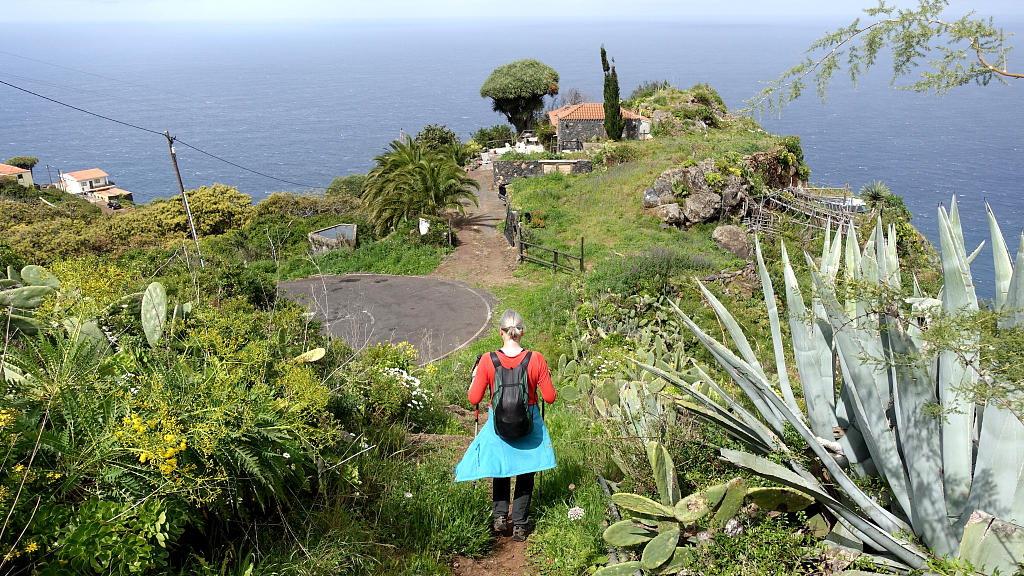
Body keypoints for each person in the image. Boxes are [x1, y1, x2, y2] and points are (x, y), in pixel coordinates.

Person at [454, 309, 556, 542]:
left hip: (498, 424)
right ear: (522, 331)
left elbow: (473, 399)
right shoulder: (536, 359)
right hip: (527, 422)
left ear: (501, 332)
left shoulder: (488, 360)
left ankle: (499, 517)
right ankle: (520, 525)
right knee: (525, 471)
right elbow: (549, 397)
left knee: (500, 468)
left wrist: (475, 376)